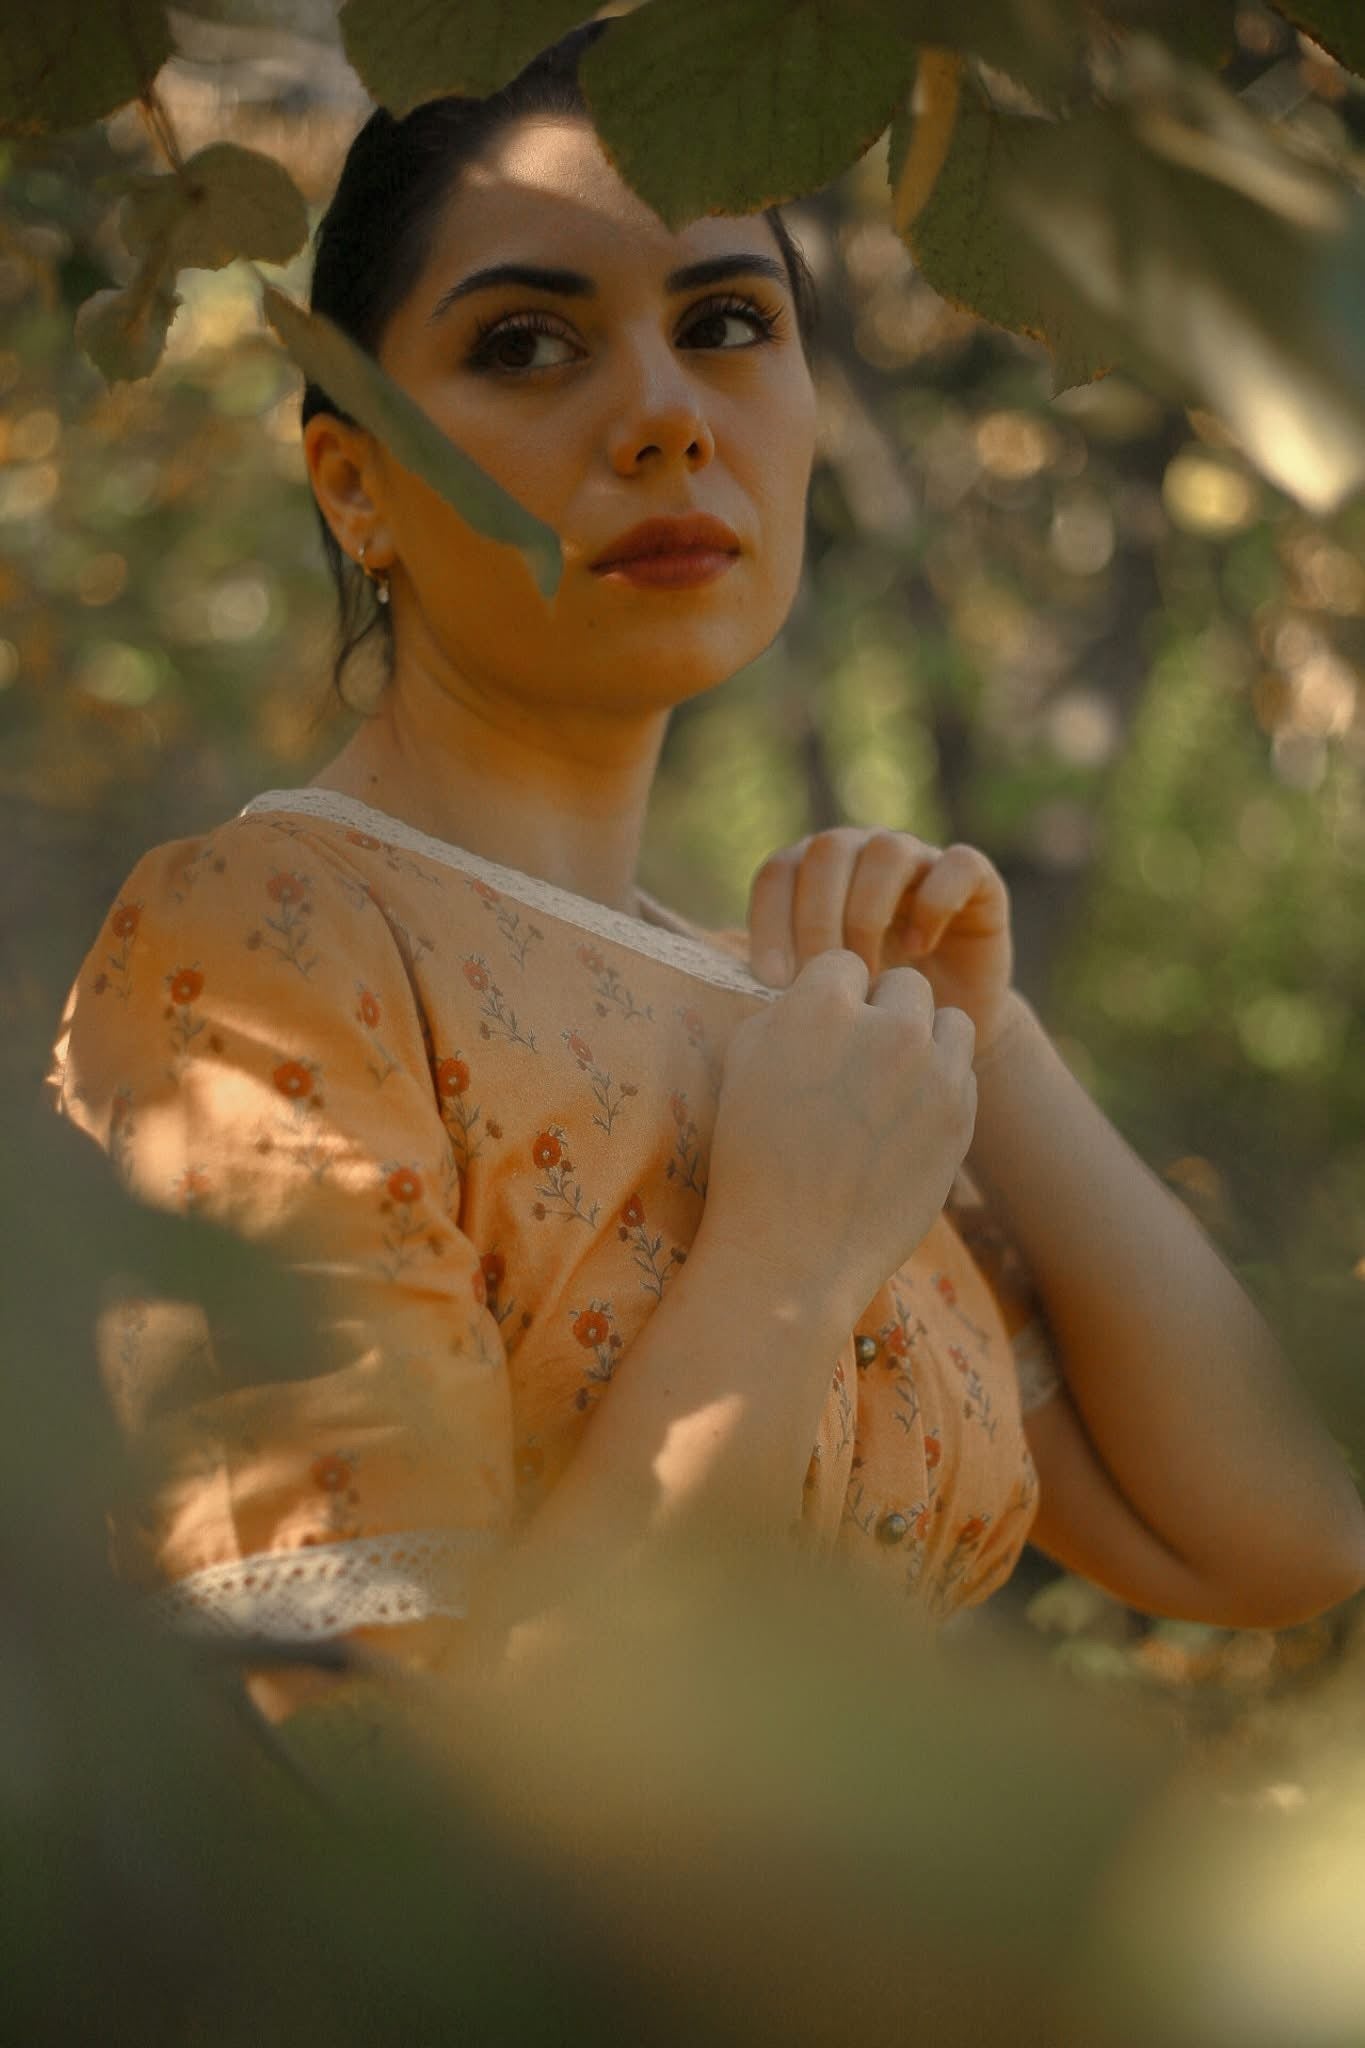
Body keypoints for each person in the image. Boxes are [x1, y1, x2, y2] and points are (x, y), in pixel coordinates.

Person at [48, 20, 1364, 1724]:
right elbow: (378, 1776)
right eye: (525, 343)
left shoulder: (788, 1033)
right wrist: (791, 1252)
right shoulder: (260, 945)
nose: (666, 415)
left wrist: (996, 1050)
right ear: (356, 483)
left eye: (727, 324)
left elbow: (1272, 1540)